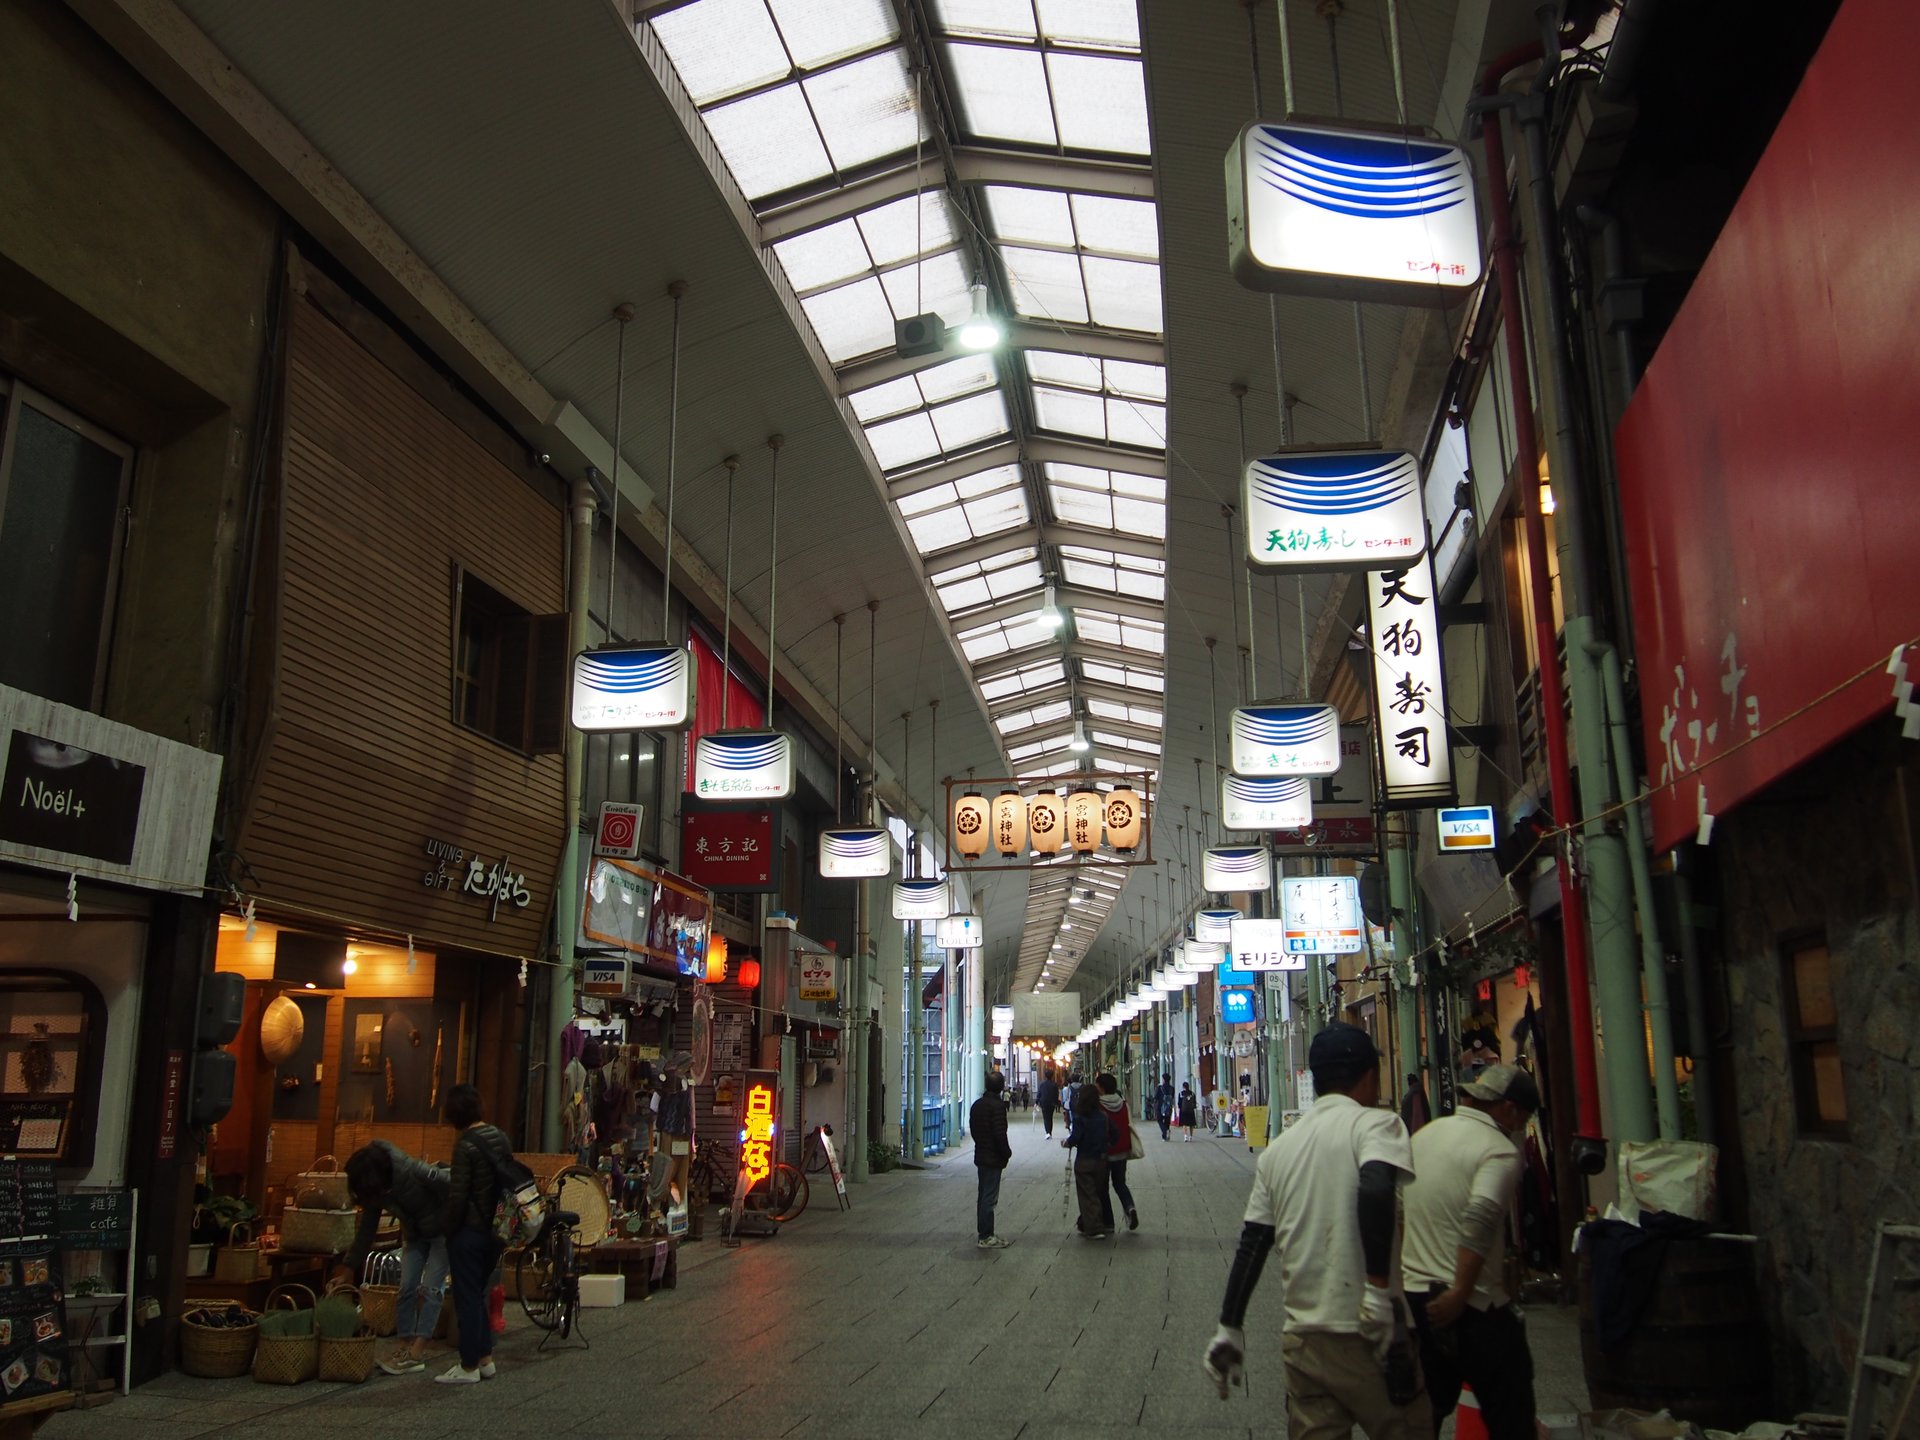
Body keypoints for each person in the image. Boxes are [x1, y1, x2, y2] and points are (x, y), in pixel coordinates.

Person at [1201, 1023, 1429, 1438]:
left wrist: (1229, 1325)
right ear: (1368, 1076)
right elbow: (1376, 1189)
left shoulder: (1280, 1149)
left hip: (1304, 1343)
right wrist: (1377, 1292)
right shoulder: (1378, 1126)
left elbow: (1252, 1241)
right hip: (1371, 1336)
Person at [1402, 1064, 1541, 1440]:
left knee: (1422, 1414)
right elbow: (1480, 1219)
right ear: (1509, 1109)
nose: (1522, 1126)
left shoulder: (1425, 1137)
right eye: (1524, 1117)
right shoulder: (1498, 1151)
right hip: (1472, 1305)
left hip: (1416, 1300)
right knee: (1510, 1411)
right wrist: (1460, 1291)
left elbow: (1397, 1210)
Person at [339, 1141, 449, 1375]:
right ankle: (403, 1344)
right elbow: (366, 1229)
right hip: (415, 1235)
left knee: (431, 1289)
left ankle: (418, 1351)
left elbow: (453, 1185)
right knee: (406, 1287)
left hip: (443, 1233)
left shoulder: (413, 1172)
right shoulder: (377, 1190)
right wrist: (349, 1267)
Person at [437, 1083, 513, 1385]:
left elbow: (458, 1196)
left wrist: (448, 1230)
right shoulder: (501, 1138)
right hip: (497, 1229)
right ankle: (485, 1358)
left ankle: (468, 1365)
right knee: (478, 1293)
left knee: (467, 1297)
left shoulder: (465, 1145)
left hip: (469, 1230)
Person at [969, 1071, 1013, 1248]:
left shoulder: (977, 1105)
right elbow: (1000, 1133)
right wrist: (1006, 1152)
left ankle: (984, 1232)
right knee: (989, 1197)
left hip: (981, 1154)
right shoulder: (997, 1106)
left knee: (983, 1195)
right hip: (993, 1156)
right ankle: (986, 1235)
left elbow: (973, 1130)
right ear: (1001, 1087)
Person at [1062, 1083, 1110, 1239]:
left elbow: (1076, 1137)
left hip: (1084, 1161)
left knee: (1087, 1195)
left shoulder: (1080, 1118)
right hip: (1101, 1161)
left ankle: (1095, 1228)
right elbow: (1115, 1135)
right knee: (1096, 1192)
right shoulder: (1103, 1117)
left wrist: (1066, 1143)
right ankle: (1087, 1222)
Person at [1095, 1072, 1139, 1233]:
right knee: (1120, 1183)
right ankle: (1130, 1207)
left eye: (1097, 1084)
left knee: (1102, 1186)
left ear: (1102, 1087)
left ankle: (1108, 1222)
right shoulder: (1123, 1104)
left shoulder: (1098, 1105)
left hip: (1105, 1151)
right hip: (1122, 1149)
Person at [1036, 1069, 1060, 1137]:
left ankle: (1047, 1132)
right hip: (1052, 1103)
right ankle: (1050, 1132)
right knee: (1050, 1117)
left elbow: (1039, 1093)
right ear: (1052, 1076)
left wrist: (1037, 1102)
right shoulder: (1054, 1084)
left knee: (1046, 1118)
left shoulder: (1042, 1084)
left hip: (1043, 1103)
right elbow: (1056, 1094)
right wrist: (1056, 1102)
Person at [1153, 1072, 1176, 1142]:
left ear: (1163, 1079)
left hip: (1160, 1107)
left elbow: (1156, 1097)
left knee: (1159, 1120)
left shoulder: (1160, 1088)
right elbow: (1172, 1097)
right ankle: (1165, 1135)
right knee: (1167, 1121)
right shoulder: (1172, 1088)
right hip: (1169, 1107)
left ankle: (1165, 1132)